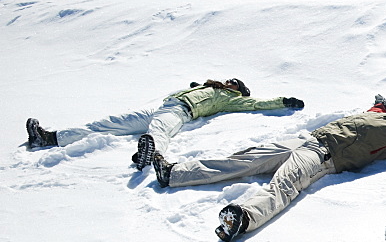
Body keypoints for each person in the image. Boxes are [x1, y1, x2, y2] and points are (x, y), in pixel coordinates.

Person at [152, 94, 386, 242]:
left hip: (325, 156)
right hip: (306, 139)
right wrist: (380, 103)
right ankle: (175, 174)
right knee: (242, 159)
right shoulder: (381, 116)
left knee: (284, 185)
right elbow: (374, 109)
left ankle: (243, 217)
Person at [24, 78, 304, 169]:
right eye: (231, 79)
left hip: (182, 111)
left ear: (237, 90)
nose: (230, 82)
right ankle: (49, 138)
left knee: (159, 131)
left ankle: (151, 154)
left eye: (235, 83)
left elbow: (256, 104)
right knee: (108, 123)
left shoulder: (230, 98)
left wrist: (283, 101)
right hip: (163, 106)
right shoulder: (204, 85)